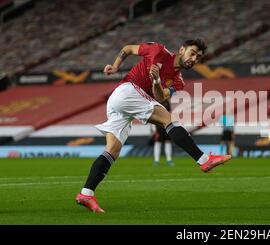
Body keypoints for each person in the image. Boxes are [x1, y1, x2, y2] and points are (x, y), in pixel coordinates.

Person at [76, 39, 232, 213]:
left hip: (124, 101)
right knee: (169, 121)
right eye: (192, 53)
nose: (194, 59)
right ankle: (203, 160)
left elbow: (159, 96)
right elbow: (127, 49)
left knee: (112, 150)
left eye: (198, 57)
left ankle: (86, 194)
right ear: (182, 49)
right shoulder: (157, 50)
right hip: (127, 90)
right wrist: (115, 66)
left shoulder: (178, 82)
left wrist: (157, 80)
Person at [152, 99, 174, 167]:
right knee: (158, 142)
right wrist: (153, 127)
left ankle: (169, 160)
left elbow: (169, 112)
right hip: (158, 125)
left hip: (166, 124)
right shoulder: (155, 101)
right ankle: (156, 160)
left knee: (168, 141)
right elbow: (152, 113)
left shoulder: (166, 101)